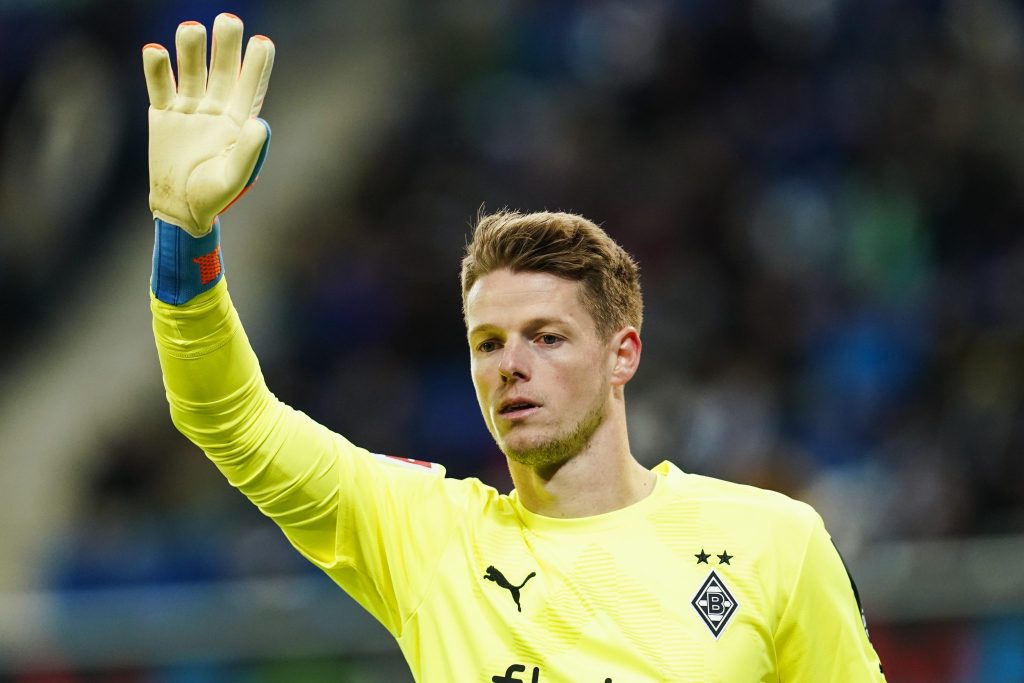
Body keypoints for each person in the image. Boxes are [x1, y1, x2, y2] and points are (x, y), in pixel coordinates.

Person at [144, 14, 886, 682]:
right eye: (488, 343)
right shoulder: (428, 538)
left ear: (623, 354)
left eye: (548, 337)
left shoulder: (773, 543)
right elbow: (227, 416)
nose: (510, 365)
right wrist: (185, 233)